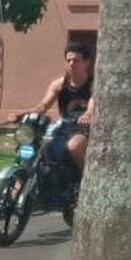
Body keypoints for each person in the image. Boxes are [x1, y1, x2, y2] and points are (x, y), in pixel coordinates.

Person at [32, 40, 95, 175]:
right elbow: (44, 105)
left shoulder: (94, 84)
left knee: (74, 147)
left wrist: (88, 114)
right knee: (42, 147)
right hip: (64, 127)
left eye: (76, 60)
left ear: (86, 62)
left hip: (85, 128)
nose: (72, 64)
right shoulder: (59, 84)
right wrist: (24, 114)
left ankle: (85, 182)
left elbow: (92, 103)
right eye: (69, 60)